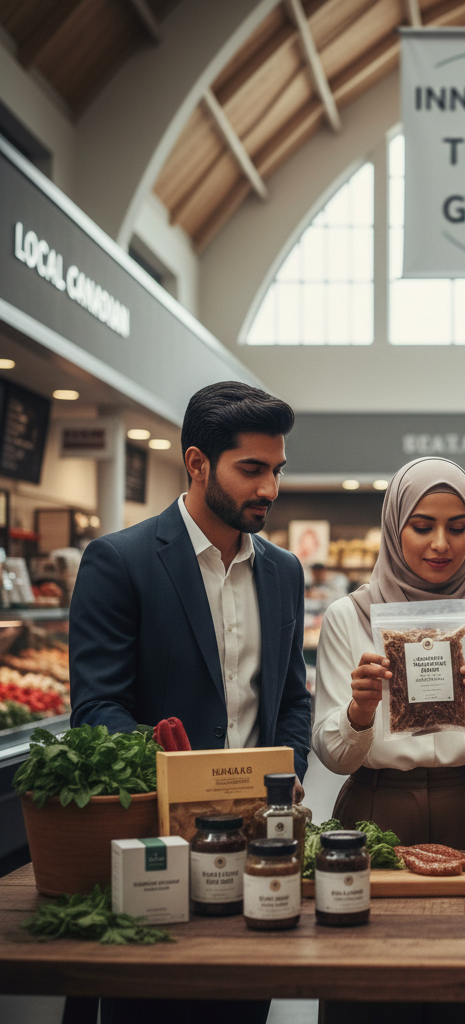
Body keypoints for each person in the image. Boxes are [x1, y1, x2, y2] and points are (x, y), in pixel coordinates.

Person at [70, 381, 311, 1024]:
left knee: (244, 1007)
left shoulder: (284, 572)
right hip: (155, 849)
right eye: (252, 470)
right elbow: (96, 708)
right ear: (197, 463)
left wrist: (284, 786)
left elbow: (291, 699)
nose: (270, 489)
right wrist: (179, 781)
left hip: (260, 850)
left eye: (277, 470)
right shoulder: (119, 562)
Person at [313, 456, 465, 849]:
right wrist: (358, 714)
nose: (441, 544)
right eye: (422, 526)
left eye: (458, 528)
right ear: (394, 528)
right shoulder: (349, 616)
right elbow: (334, 758)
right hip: (375, 809)